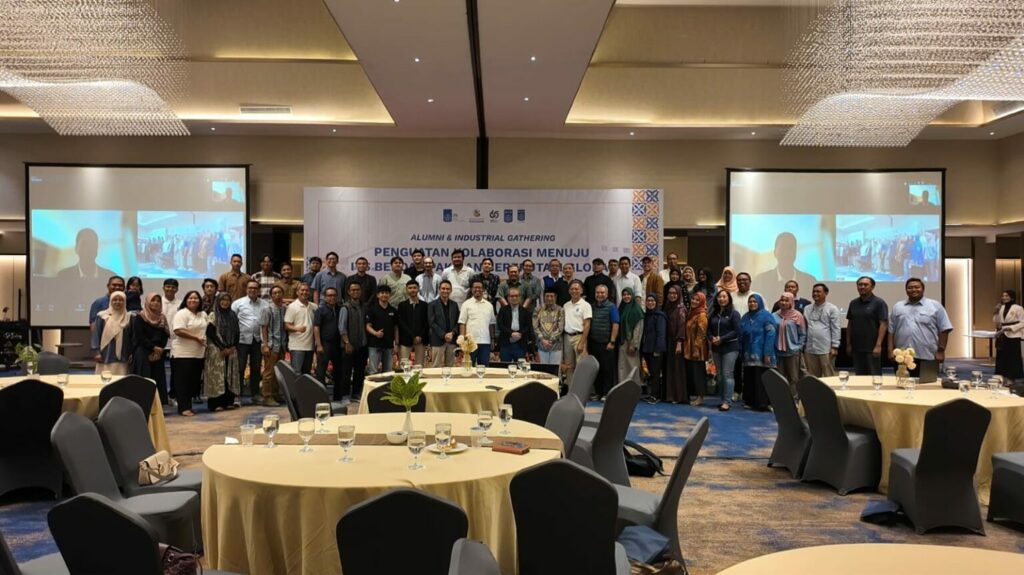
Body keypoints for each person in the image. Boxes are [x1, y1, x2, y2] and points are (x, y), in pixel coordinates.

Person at [888, 278, 952, 376]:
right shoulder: (898, 306)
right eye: (910, 288)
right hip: (903, 357)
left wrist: (941, 351)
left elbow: (945, 329)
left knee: (927, 387)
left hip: (927, 356)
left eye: (917, 287)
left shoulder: (935, 306)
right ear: (906, 290)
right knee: (902, 385)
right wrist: (890, 351)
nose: (913, 290)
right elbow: (891, 331)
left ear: (923, 289)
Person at [231, 280, 270, 404]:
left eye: (255, 288)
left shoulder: (264, 304)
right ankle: (238, 395)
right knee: (240, 368)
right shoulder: (238, 303)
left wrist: (265, 342)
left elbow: (265, 324)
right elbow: (232, 322)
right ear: (246, 289)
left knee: (256, 368)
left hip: (257, 340)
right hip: (241, 340)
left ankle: (255, 394)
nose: (252, 290)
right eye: (250, 288)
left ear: (258, 290)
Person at [171, 291, 207, 417]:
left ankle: (189, 406)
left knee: (193, 382)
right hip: (182, 354)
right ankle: (183, 408)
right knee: (182, 382)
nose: (193, 300)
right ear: (186, 300)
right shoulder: (181, 313)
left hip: (198, 353)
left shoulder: (203, 314)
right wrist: (196, 337)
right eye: (190, 298)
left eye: (196, 298)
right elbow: (178, 330)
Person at [740, 294, 778, 411]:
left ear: (759, 303)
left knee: (760, 379)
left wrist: (767, 353)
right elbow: (741, 334)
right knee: (749, 378)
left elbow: (771, 334)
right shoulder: (745, 317)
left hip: (762, 354)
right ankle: (750, 401)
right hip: (748, 353)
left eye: (754, 302)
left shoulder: (766, 316)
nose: (752, 304)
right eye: (750, 302)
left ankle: (762, 403)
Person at [204, 292, 241, 411]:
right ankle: (216, 404)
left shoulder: (233, 315)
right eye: (222, 300)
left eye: (227, 300)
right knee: (217, 377)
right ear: (218, 301)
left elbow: (237, 333)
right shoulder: (213, 315)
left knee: (230, 376)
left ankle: (228, 402)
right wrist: (222, 348)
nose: (225, 302)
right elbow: (210, 333)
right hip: (217, 351)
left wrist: (233, 347)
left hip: (231, 351)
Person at [846, 276, 889, 376]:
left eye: (865, 285)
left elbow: (883, 324)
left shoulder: (879, 303)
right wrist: (848, 344)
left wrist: (878, 345)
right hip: (857, 348)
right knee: (860, 376)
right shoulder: (853, 303)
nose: (862, 287)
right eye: (860, 285)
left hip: (872, 348)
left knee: (874, 376)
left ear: (872, 287)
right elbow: (850, 324)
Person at [132, 293, 169, 405]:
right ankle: (143, 405)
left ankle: (158, 405)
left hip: (158, 352)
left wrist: (160, 349)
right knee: (144, 378)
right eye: (153, 300)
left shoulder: (162, 318)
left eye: (158, 301)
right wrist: (153, 347)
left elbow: (165, 335)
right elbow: (140, 336)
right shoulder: (140, 317)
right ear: (147, 302)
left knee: (158, 379)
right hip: (143, 351)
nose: (156, 303)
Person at [708, 290, 741, 411]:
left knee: (728, 374)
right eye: (719, 297)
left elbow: (737, 331)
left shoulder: (734, 313)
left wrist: (722, 339)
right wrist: (712, 338)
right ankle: (722, 399)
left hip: (730, 348)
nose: (721, 299)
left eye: (724, 297)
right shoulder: (714, 314)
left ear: (729, 299)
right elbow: (709, 330)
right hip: (716, 347)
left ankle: (728, 401)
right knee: (720, 375)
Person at [338, 282, 369, 401]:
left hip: (362, 345)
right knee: (346, 372)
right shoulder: (345, 307)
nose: (356, 292)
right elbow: (342, 328)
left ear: (360, 292)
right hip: (349, 345)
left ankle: (356, 393)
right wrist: (347, 343)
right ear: (349, 292)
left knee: (360, 372)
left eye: (358, 290)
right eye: (353, 290)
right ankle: (345, 395)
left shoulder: (364, 306)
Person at [588, 285, 620, 398]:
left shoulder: (612, 307)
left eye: (602, 293)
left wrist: (612, 341)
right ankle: (598, 392)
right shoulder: (591, 306)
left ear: (607, 294)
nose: (599, 295)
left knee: (607, 370)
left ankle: (607, 393)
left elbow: (615, 324)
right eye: (597, 293)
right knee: (596, 369)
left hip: (606, 343)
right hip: (593, 343)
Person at [803, 283, 841, 377]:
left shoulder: (832, 308)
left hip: (826, 349)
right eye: (814, 291)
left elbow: (836, 328)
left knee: (829, 376)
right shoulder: (807, 308)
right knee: (813, 377)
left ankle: (831, 392)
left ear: (825, 293)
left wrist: (835, 346)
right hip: (810, 348)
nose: (815, 293)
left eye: (818, 291)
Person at [774, 292, 807, 394]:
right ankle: (782, 399)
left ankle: (794, 399)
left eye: (786, 300)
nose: (783, 302)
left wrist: (799, 347)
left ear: (791, 302)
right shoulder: (774, 315)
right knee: (779, 377)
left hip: (792, 351)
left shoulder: (797, 315)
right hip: (778, 351)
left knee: (793, 377)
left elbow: (802, 334)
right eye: (782, 300)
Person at [259, 285, 287, 405]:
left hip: (282, 345)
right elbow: (263, 328)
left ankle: (276, 394)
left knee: (278, 372)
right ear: (271, 295)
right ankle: (267, 396)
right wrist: (265, 344)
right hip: (271, 345)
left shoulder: (284, 308)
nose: (277, 295)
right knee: (268, 372)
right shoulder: (267, 309)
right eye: (274, 293)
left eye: (279, 292)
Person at [459, 279, 497, 367]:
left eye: (480, 287)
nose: (477, 289)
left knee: (483, 368)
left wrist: (493, 339)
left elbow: (491, 324)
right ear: (471, 290)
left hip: (485, 342)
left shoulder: (489, 305)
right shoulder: (466, 304)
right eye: (475, 287)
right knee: (468, 368)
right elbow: (462, 323)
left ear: (483, 289)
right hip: (470, 343)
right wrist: (462, 341)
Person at [91, 291, 131, 375]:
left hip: (122, 357)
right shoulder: (102, 316)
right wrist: (97, 352)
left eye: (121, 300)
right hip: (105, 355)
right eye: (115, 300)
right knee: (104, 381)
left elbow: (131, 337)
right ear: (110, 301)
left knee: (120, 382)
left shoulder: (128, 317)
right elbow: (96, 335)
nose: (117, 302)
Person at [562, 279, 591, 383]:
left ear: (581, 291)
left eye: (577, 289)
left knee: (581, 367)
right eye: (572, 289)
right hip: (567, 337)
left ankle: (582, 392)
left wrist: (582, 342)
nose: (574, 291)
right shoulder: (566, 305)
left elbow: (587, 325)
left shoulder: (586, 305)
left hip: (579, 337)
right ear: (569, 291)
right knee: (569, 366)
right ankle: (571, 391)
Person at [640, 293, 667, 402]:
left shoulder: (660, 316)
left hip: (656, 350)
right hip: (647, 349)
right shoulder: (647, 315)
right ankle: (653, 394)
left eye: (652, 301)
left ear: (656, 302)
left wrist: (658, 350)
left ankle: (655, 396)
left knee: (656, 373)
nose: (650, 303)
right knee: (651, 372)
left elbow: (661, 334)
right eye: (648, 301)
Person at [683, 291, 709, 406]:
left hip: (698, 350)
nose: (694, 301)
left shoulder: (701, 315)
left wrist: (696, 348)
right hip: (690, 347)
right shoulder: (692, 313)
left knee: (698, 373)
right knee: (693, 373)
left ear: (702, 302)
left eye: (697, 300)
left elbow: (701, 334)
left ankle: (701, 397)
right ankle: (696, 395)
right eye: (693, 299)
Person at [663, 285, 688, 404]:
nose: (672, 295)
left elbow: (682, 326)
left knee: (677, 369)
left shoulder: (681, 309)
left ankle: (678, 396)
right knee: (670, 368)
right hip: (668, 341)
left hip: (677, 342)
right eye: (670, 293)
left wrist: (679, 342)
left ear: (679, 295)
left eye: (675, 293)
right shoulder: (668, 306)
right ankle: (670, 395)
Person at [314, 287, 343, 388]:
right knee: (321, 371)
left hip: (338, 344)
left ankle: (338, 396)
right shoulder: (320, 311)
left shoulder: (341, 309)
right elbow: (316, 328)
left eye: (334, 295)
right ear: (325, 297)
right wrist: (319, 345)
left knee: (339, 370)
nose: (332, 298)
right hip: (324, 344)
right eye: (329, 295)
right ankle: (320, 394)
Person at [366, 285, 398, 375]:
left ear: (390, 295)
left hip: (388, 345)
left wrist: (396, 344)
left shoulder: (393, 310)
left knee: (388, 372)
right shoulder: (371, 309)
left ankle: (385, 389)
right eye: (382, 293)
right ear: (377, 295)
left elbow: (396, 328)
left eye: (387, 293)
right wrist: (375, 333)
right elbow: (367, 326)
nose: (384, 295)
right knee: (373, 371)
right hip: (374, 345)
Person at [284, 283, 316, 374]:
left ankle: (304, 389)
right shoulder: (292, 307)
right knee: (296, 373)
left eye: (306, 290)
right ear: (297, 292)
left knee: (307, 374)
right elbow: (286, 325)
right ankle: (295, 389)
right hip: (297, 346)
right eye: (302, 290)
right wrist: (297, 329)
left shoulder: (314, 306)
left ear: (309, 292)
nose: (304, 292)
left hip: (310, 346)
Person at [497, 287, 535, 362]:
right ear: (508, 298)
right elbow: (500, 325)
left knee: (520, 368)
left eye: (516, 296)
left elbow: (528, 326)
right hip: (506, 343)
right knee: (504, 368)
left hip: (520, 344)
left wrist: (519, 334)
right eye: (512, 296)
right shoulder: (503, 310)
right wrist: (511, 334)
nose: (514, 298)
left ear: (520, 297)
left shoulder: (525, 311)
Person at [427, 280, 460, 367]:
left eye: (448, 289)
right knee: (436, 366)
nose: (445, 291)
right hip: (437, 340)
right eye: (443, 288)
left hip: (452, 340)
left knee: (450, 367)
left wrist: (452, 333)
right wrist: (444, 335)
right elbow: (432, 323)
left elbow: (458, 322)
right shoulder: (432, 305)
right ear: (439, 290)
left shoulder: (454, 305)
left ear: (451, 290)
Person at [994, 290, 1024, 382]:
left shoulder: (1018, 308)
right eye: (1003, 296)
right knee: (1002, 358)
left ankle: (1012, 379)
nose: (1004, 297)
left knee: (1012, 358)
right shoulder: (1001, 307)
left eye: (1006, 296)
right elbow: (997, 322)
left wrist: (1011, 328)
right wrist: (996, 311)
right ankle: (1002, 378)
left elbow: (1022, 322)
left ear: (1012, 297)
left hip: (1013, 335)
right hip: (1003, 335)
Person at [397, 280, 429, 364]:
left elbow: (427, 323)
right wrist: (413, 336)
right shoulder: (402, 305)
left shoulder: (425, 305)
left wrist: (419, 336)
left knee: (419, 367)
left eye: (415, 288)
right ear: (406, 290)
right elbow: (401, 323)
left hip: (421, 340)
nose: (412, 290)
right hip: (406, 340)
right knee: (404, 366)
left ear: (418, 289)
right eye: (410, 288)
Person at [618, 287, 644, 385]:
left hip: (631, 342)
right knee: (622, 366)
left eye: (628, 294)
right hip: (622, 341)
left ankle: (634, 388)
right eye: (624, 295)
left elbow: (638, 329)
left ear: (632, 295)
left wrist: (634, 344)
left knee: (633, 366)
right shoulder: (621, 308)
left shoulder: (636, 310)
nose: (626, 297)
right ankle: (622, 387)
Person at [533, 288, 564, 369]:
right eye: (547, 296)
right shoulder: (537, 309)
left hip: (556, 346)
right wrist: (543, 340)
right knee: (543, 370)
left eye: (551, 296)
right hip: (541, 345)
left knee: (555, 370)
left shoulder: (560, 310)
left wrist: (550, 341)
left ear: (555, 297)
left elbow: (560, 328)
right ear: (543, 297)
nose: (549, 298)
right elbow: (535, 327)